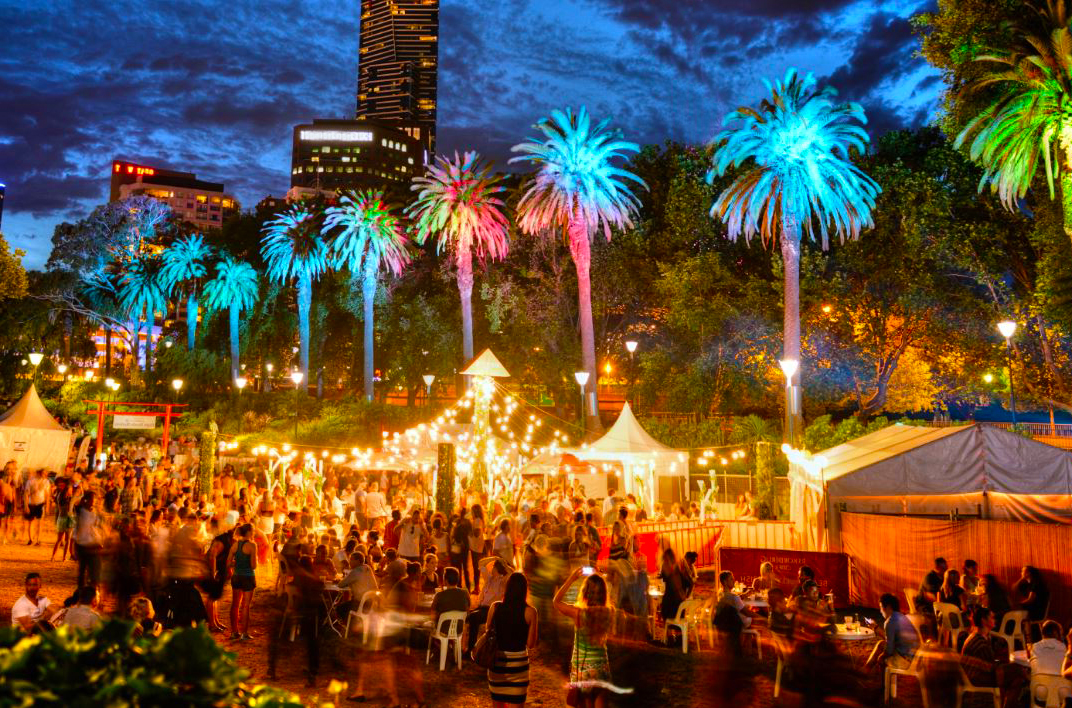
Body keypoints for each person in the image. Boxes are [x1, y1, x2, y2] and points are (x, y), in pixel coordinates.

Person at [554, 566, 632, 707]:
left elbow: (556, 602)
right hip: (601, 666)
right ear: (604, 594)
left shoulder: (578, 613)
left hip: (583, 669)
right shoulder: (609, 612)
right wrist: (601, 579)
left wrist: (572, 578)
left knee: (586, 702)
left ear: (585, 593)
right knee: (601, 700)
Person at [485, 572, 538, 707]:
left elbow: (488, 632)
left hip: (497, 665)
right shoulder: (531, 612)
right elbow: (531, 644)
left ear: (507, 588)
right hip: (518, 667)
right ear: (525, 590)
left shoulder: (495, 607)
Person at [961, 605, 1027, 708]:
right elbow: (992, 668)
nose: (994, 620)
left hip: (980, 672)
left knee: (1018, 678)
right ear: (984, 621)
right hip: (976, 677)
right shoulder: (979, 642)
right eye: (991, 617)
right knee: (1019, 671)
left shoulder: (980, 636)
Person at [467, 559, 509, 654]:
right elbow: (480, 563)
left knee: (473, 617)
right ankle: (459, 645)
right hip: (481, 608)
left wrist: (504, 564)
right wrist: (494, 558)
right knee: (465, 615)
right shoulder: (489, 578)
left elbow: (512, 574)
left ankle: (471, 650)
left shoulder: (503, 581)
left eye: (493, 566)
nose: (491, 568)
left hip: (491, 610)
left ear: (497, 568)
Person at [867, 593, 919, 670]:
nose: (880, 611)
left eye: (881, 607)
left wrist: (882, 656)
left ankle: (885, 681)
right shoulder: (901, 616)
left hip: (906, 660)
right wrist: (876, 627)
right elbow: (891, 640)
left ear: (888, 607)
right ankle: (867, 667)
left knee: (881, 659)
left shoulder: (890, 622)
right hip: (916, 657)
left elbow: (889, 650)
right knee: (881, 644)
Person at [205, 514, 235, 633]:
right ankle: (211, 624)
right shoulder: (221, 540)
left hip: (220, 570)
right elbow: (212, 556)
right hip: (215, 571)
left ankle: (215, 621)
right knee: (212, 598)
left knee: (215, 597)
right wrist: (212, 574)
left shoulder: (227, 539)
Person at [227, 523, 257, 640]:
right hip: (248, 577)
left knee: (235, 604)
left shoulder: (235, 545)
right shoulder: (252, 546)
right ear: (249, 532)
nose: (254, 532)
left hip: (236, 576)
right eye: (253, 530)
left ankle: (234, 632)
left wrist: (236, 563)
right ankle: (244, 633)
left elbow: (228, 563)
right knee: (245, 606)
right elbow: (254, 565)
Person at [51, 476, 76, 562]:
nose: (71, 489)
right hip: (68, 518)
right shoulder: (66, 497)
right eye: (70, 488)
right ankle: (64, 558)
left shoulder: (59, 495)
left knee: (60, 540)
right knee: (67, 540)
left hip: (61, 518)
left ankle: (53, 556)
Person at [22, 468, 49, 546]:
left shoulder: (46, 482)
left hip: (41, 503)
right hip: (32, 503)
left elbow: (47, 494)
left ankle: (38, 540)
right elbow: (26, 494)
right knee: (31, 522)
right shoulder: (31, 481)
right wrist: (26, 505)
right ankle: (31, 539)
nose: (45, 475)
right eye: (44, 473)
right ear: (39, 473)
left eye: (46, 474)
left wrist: (47, 506)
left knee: (40, 522)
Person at [469, 504, 487, 594]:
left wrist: (468, 531)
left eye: (471, 511)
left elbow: (477, 533)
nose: (471, 513)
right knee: (477, 568)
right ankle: (477, 587)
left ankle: (477, 588)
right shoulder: (478, 520)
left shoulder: (477, 521)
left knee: (476, 568)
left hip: (476, 547)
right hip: (476, 546)